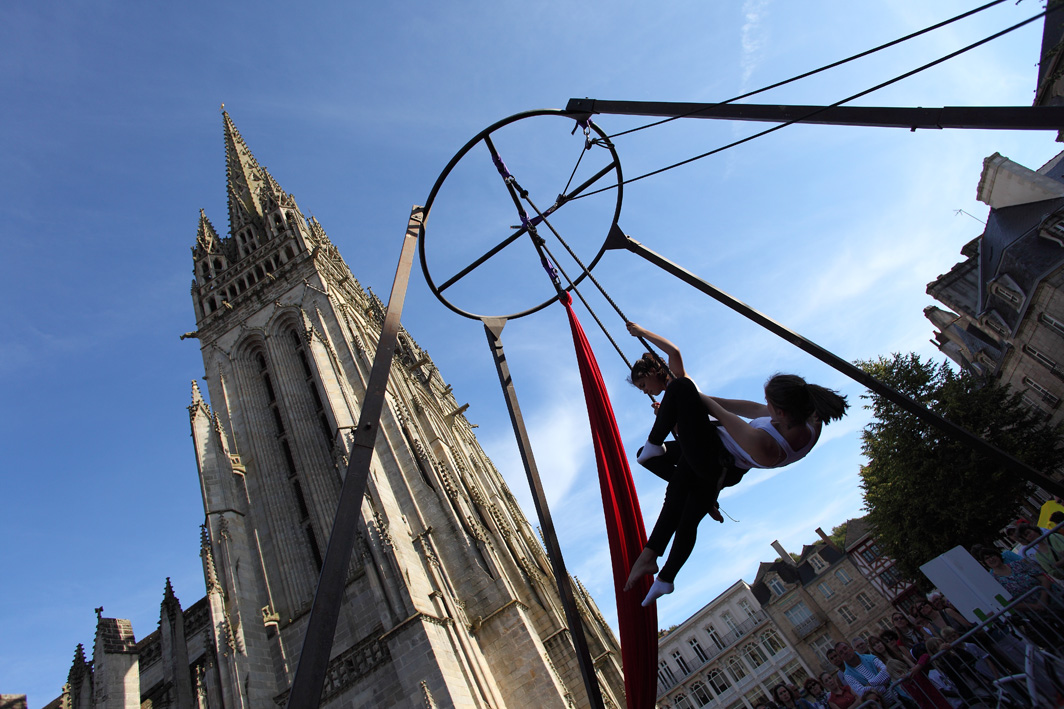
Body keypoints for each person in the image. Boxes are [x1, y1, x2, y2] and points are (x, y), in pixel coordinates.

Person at [623, 322, 848, 605]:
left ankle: (655, 552)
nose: (646, 392)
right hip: (709, 453)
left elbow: (716, 415)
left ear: (782, 412)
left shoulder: (765, 445)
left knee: (680, 490)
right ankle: (665, 576)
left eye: (644, 385)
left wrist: (682, 394)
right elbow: (748, 408)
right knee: (686, 503)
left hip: (717, 456)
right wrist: (674, 412)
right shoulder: (807, 419)